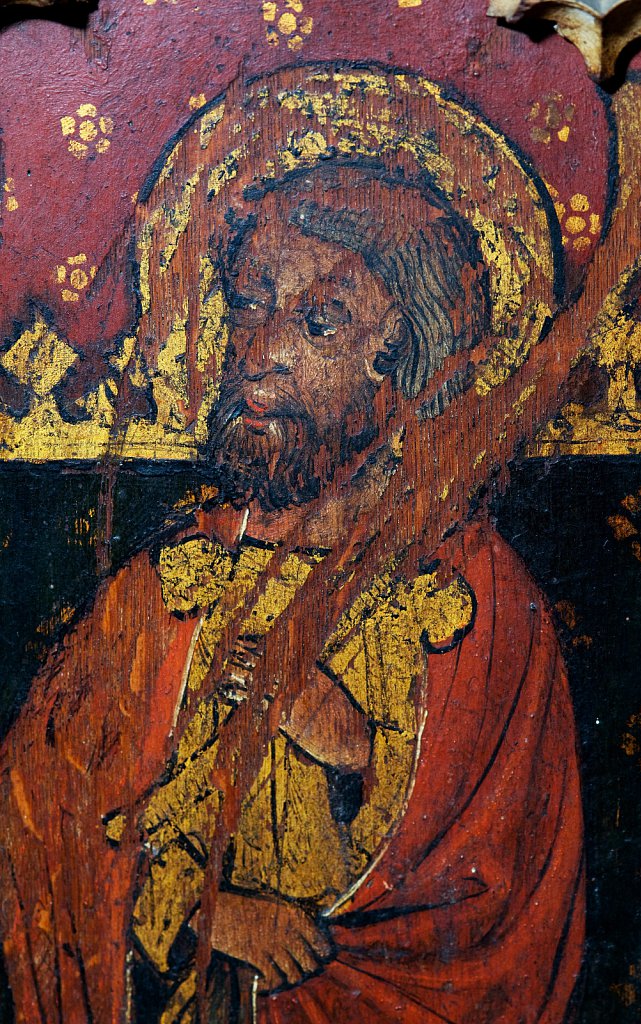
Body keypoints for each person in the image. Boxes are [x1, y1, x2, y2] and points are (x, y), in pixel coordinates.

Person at [0, 165, 585, 1024]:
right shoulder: (176, 581)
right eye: (246, 305)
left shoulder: (472, 602)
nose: (259, 349)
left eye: (317, 321)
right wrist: (202, 911)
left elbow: (499, 890)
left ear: (398, 364)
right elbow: (38, 819)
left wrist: (355, 755)